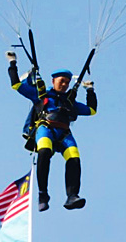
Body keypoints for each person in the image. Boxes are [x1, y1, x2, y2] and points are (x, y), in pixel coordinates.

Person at [6, 51, 97, 211]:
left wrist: (90, 90)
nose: (64, 85)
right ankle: (43, 194)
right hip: (45, 128)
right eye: (62, 81)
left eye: (67, 83)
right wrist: (13, 63)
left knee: (74, 158)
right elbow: (16, 84)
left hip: (64, 134)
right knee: (45, 152)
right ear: (54, 80)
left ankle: (72, 196)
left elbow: (91, 110)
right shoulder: (42, 93)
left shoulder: (70, 102)